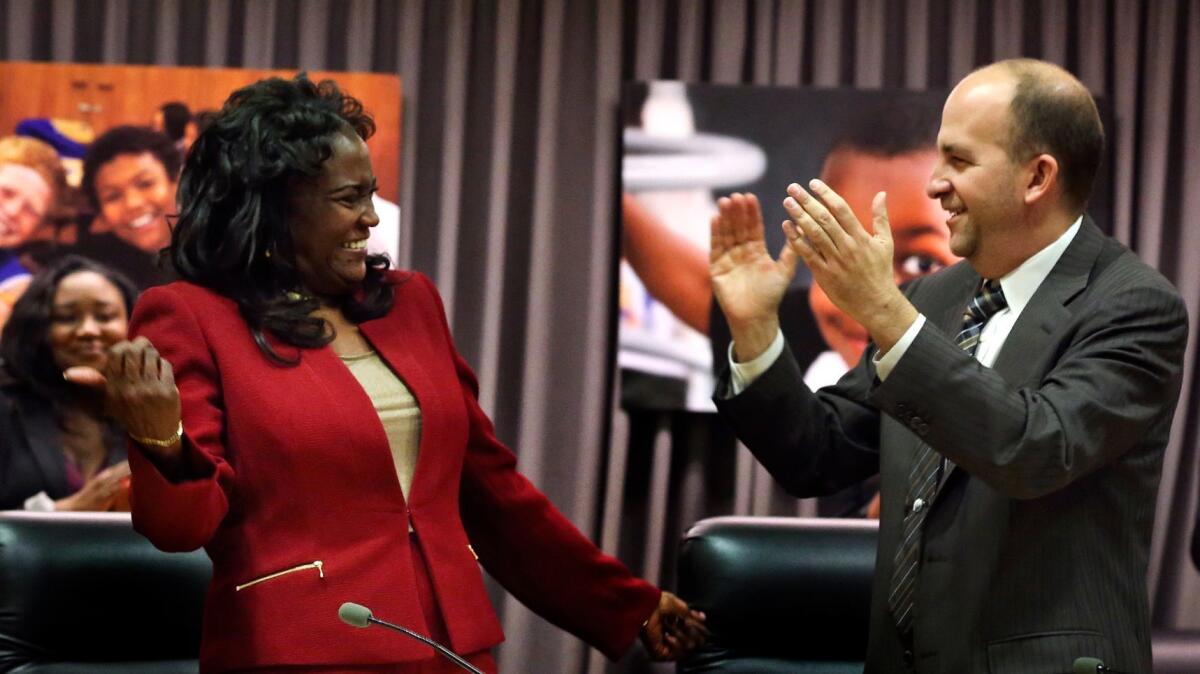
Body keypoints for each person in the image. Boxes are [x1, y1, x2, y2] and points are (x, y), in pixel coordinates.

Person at [67, 75, 706, 673]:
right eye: (349, 199)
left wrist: (627, 604)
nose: (371, 218)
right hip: (298, 651)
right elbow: (183, 527)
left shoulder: (410, 304)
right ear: (272, 209)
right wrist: (161, 440)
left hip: (451, 646)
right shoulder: (189, 317)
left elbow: (493, 492)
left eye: (370, 194)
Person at [710, 58, 1187, 672]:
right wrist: (753, 330)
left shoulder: (1133, 304)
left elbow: (1035, 450)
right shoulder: (932, 300)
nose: (936, 183)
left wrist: (884, 311)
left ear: (1037, 177)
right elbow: (818, 454)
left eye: (958, 161)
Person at [0, 255, 134, 511]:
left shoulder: (153, 415)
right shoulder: (5, 405)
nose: (88, 330)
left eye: (105, 316)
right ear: (38, 328)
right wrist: (67, 510)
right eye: (67, 318)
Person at [75, 126, 180, 289]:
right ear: (101, 218)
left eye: (145, 184)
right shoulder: (106, 278)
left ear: (177, 182)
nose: (133, 203)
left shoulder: (221, 255)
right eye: (113, 196)